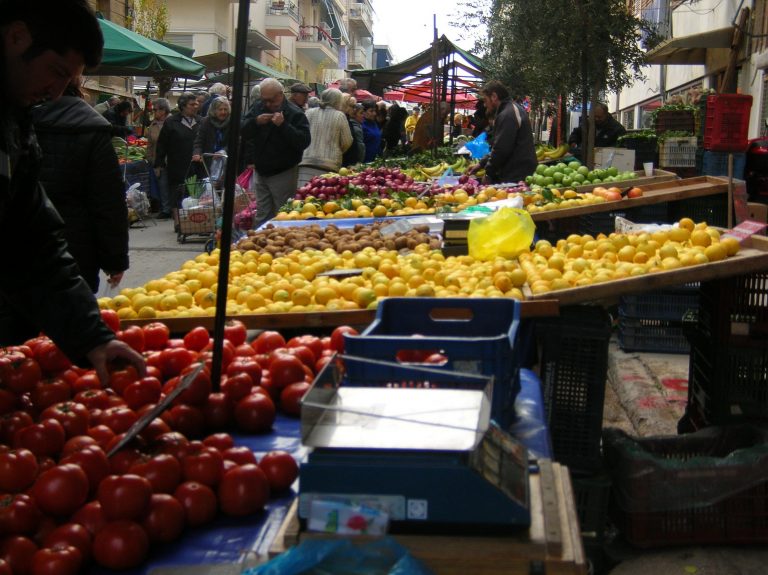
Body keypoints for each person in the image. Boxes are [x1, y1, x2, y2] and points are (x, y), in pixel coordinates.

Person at [0, 0, 144, 383]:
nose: (58, 92)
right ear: (16, 37)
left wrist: (92, 337)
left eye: (70, 79)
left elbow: (33, 241)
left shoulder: (16, 124)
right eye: (57, 72)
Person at [34, 81, 129, 294]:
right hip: (76, 248)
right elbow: (108, 202)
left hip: (20, 251)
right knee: (71, 319)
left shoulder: (17, 120)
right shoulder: (92, 128)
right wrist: (114, 260)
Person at [242, 78, 311, 227]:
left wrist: (283, 126)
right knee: (262, 213)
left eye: (271, 100)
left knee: (283, 213)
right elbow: (244, 131)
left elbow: (303, 141)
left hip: (283, 171)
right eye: (264, 100)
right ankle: (261, 244)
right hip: (261, 170)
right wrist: (256, 122)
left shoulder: (294, 112)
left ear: (280, 95)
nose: (267, 104)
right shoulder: (258, 107)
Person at [469, 80, 537, 184]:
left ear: (494, 96)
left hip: (517, 175)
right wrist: (481, 164)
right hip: (516, 173)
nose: (485, 105)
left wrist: (488, 174)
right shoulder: (508, 110)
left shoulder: (507, 114)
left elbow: (501, 149)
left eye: (485, 100)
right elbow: (497, 145)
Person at [154, 92, 202, 209]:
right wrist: (159, 164)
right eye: (192, 104)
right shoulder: (171, 122)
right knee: (178, 197)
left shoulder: (201, 121)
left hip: (197, 166)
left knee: (196, 197)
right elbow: (162, 144)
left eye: (196, 104)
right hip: (177, 166)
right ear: (183, 106)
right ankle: (178, 223)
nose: (196, 106)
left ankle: (194, 223)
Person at [297, 88, 352, 187]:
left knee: (303, 195)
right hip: (329, 165)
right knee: (322, 197)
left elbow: (301, 135)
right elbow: (347, 141)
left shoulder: (309, 112)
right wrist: (337, 150)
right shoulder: (339, 116)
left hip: (306, 162)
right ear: (337, 101)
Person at [145, 97, 172, 218]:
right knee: (162, 185)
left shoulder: (173, 122)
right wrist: (150, 158)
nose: (153, 112)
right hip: (159, 161)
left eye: (155, 109)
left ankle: (176, 208)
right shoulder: (153, 126)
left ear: (163, 110)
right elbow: (150, 144)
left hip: (173, 159)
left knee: (174, 185)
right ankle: (166, 209)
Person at [192, 96, 231, 165]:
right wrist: (197, 153)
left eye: (225, 109)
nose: (223, 112)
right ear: (214, 110)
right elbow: (199, 141)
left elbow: (236, 141)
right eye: (220, 109)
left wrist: (223, 151)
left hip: (226, 161)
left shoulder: (232, 122)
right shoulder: (205, 122)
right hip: (208, 161)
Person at [342, 98, 365, 167]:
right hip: (351, 163)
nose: (363, 115)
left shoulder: (354, 124)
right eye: (352, 106)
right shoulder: (354, 127)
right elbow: (360, 147)